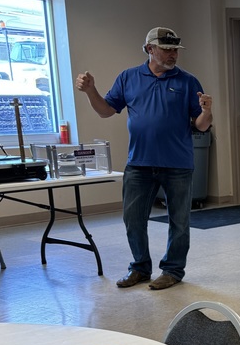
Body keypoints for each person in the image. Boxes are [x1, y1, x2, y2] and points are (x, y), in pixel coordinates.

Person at [76, 27, 212, 290]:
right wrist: (91, 91)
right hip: (139, 162)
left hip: (177, 164)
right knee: (133, 219)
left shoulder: (188, 81)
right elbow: (106, 111)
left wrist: (207, 111)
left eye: (175, 50)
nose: (173, 54)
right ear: (150, 49)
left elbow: (202, 125)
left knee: (179, 221)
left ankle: (173, 270)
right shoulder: (128, 77)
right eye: (166, 49)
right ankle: (140, 268)